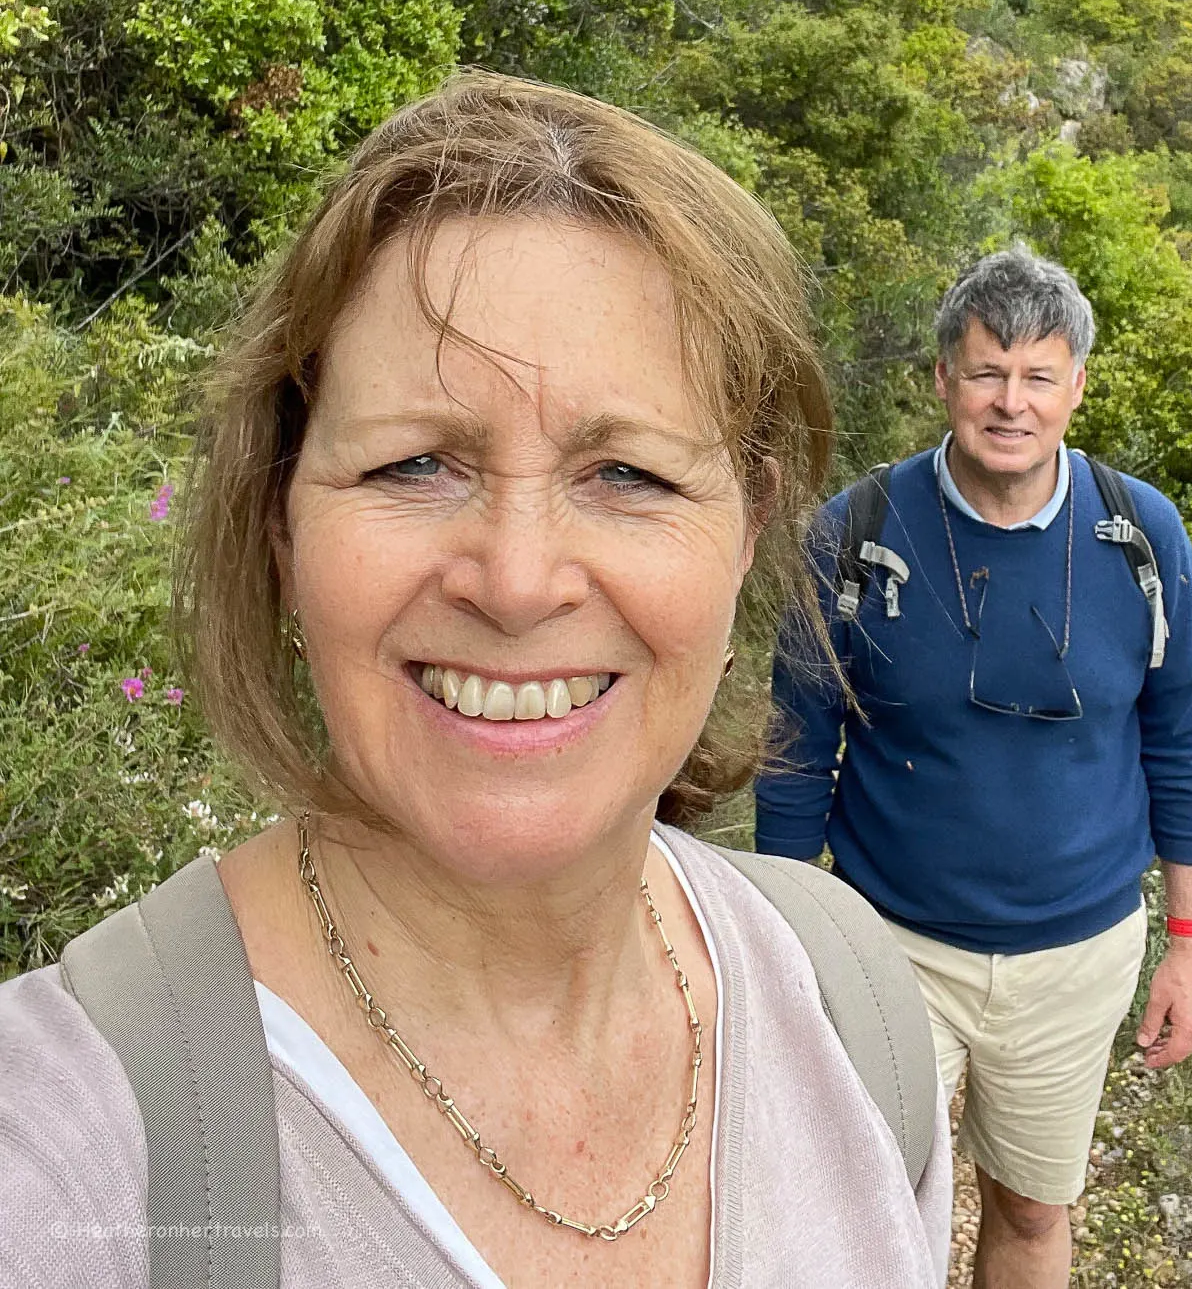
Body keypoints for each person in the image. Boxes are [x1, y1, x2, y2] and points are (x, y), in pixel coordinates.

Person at [0, 74, 951, 1289]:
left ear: (750, 527)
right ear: (285, 521)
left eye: (627, 475)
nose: (515, 580)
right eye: (414, 464)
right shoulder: (62, 1160)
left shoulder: (849, 1009)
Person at [756, 247, 1192, 1289]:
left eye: (1036, 376)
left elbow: (1187, 736)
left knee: (1029, 1206)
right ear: (941, 380)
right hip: (888, 947)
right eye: (985, 373)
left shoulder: (1141, 534)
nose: (1010, 403)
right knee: (866, 1197)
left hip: (1076, 953)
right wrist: (786, 942)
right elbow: (795, 748)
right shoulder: (854, 535)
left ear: (1075, 387)